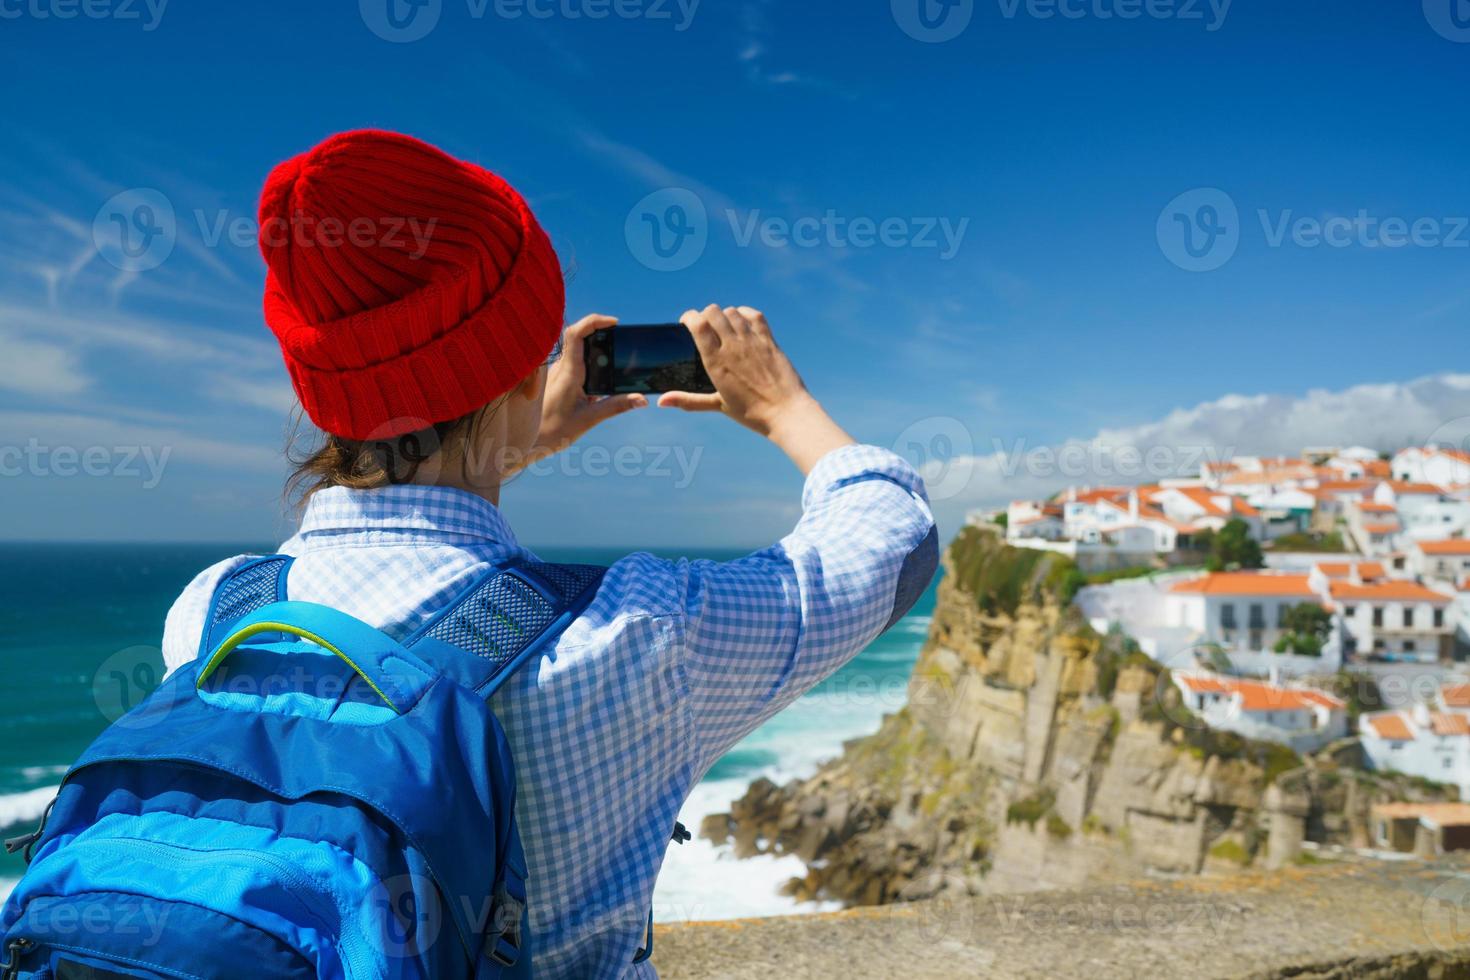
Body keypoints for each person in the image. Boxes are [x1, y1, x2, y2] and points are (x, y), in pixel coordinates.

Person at [160, 129, 938, 977]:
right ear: (525, 377)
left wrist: (507, 437)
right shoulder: (644, 635)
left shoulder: (210, 615)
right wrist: (783, 406)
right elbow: (895, 542)